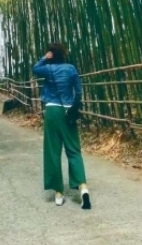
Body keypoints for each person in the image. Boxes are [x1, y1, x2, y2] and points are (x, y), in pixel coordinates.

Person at [33, 42, 91, 210]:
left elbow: (35, 68)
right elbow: (79, 92)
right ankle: (83, 188)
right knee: (74, 150)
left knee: (53, 151)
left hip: (52, 111)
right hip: (68, 111)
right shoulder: (71, 68)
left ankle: (59, 193)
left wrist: (44, 58)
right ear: (64, 54)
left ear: (51, 54)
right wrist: (74, 106)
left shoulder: (47, 69)